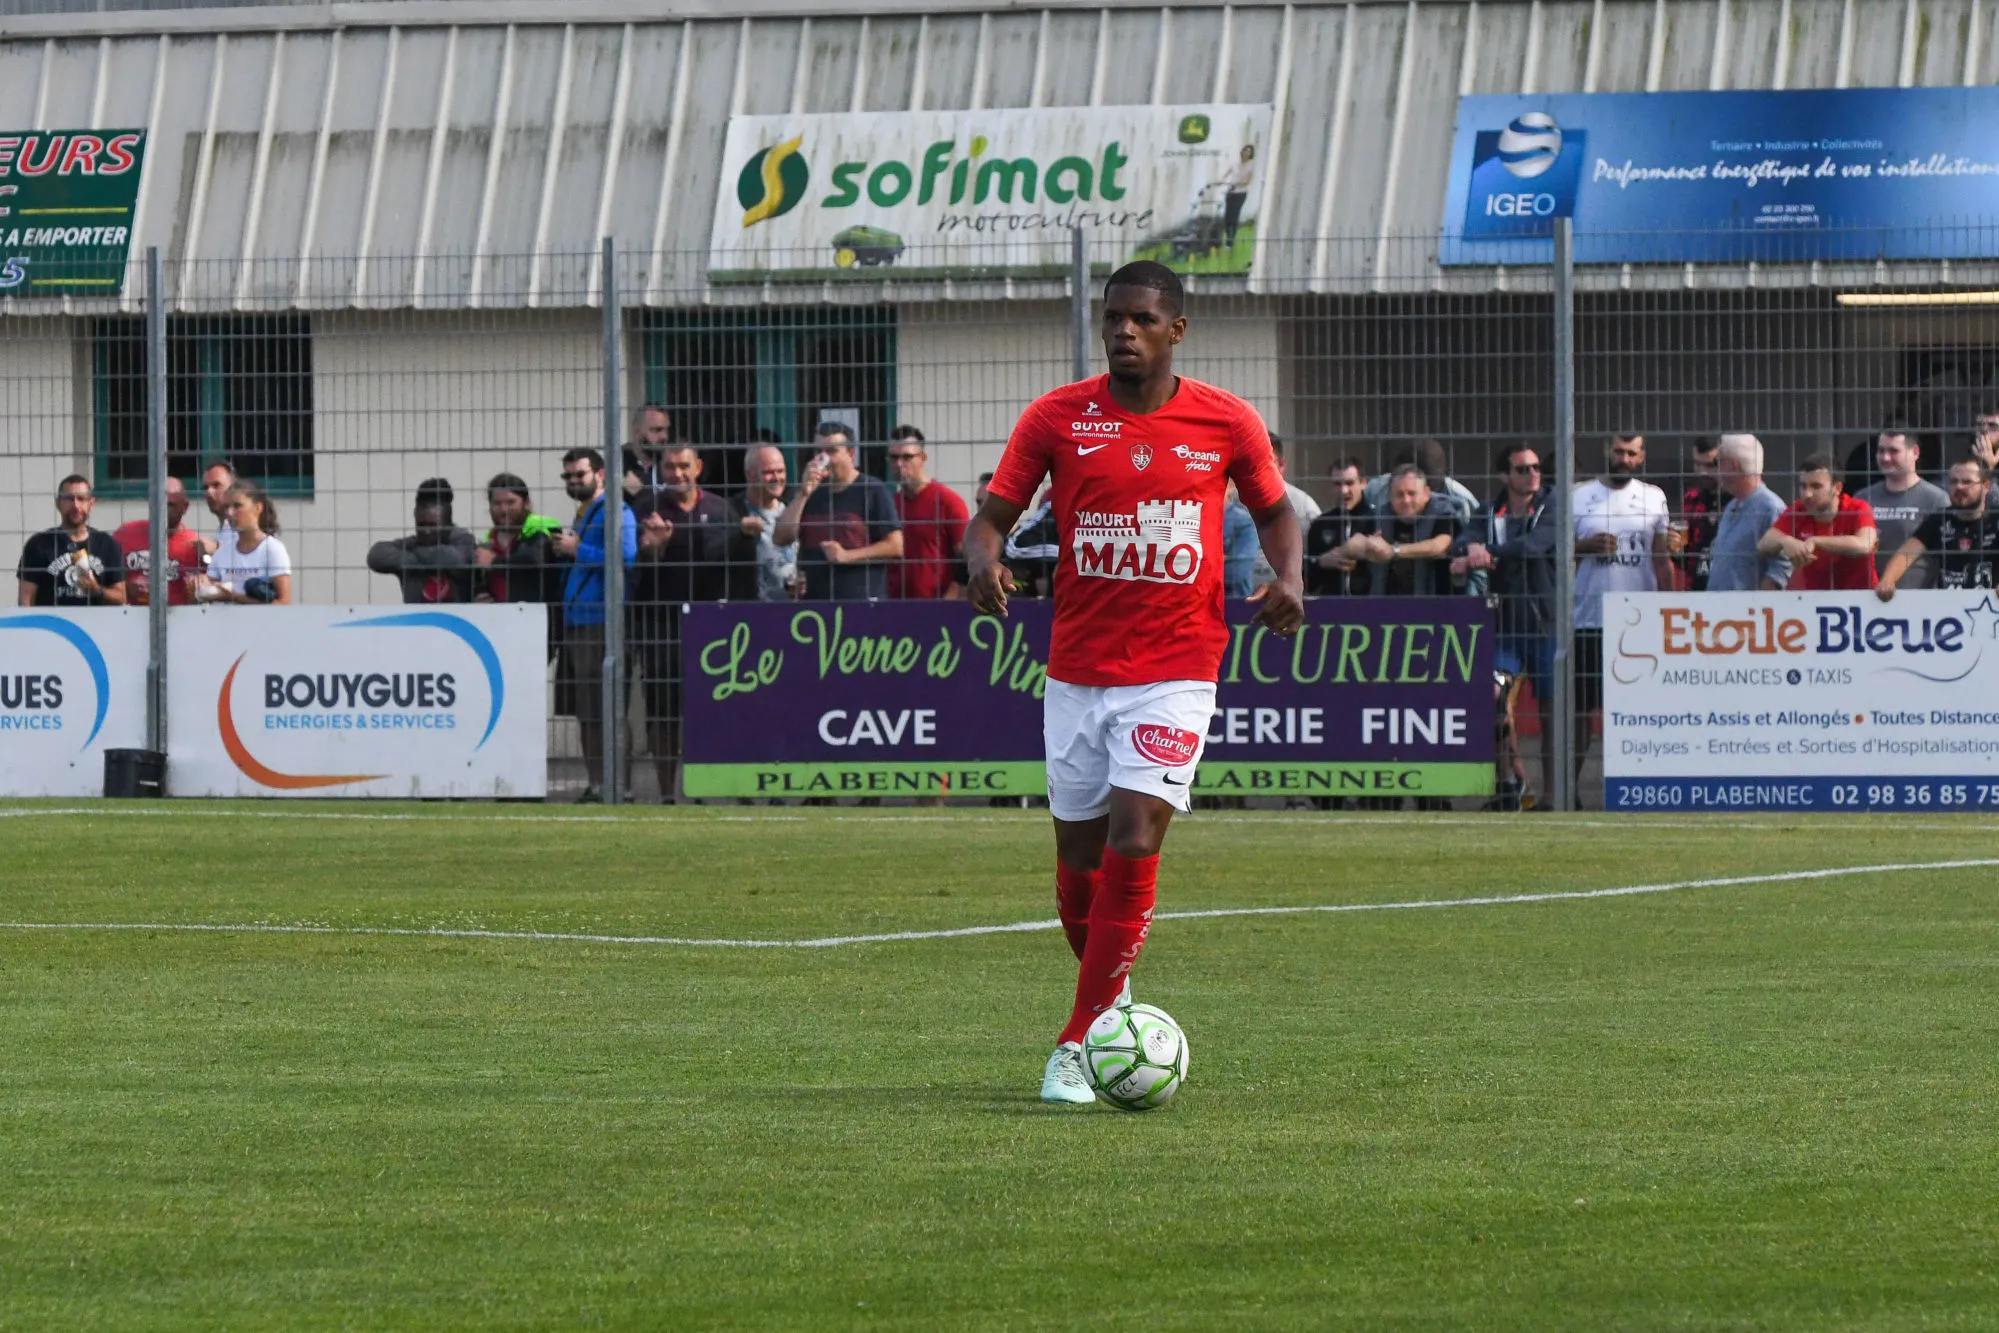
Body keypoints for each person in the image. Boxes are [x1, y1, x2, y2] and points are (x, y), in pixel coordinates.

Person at [960, 260, 1304, 1105]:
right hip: (1077, 670)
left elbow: (1274, 509)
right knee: (1077, 859)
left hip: (1177, 667)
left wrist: (1288, 576)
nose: (1122, 330)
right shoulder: (1056, 416)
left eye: (1141, 319)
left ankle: (1076, 1044)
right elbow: (991, 518)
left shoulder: (1224, 421)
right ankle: (1110, 1005)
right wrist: (982, 561)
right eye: (1112, 317)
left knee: (1136, 835)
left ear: (1174, 329)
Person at [632, 443, 758, 801]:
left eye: (684, 466)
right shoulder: (646, 508)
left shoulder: (723, 509)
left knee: (720, 709)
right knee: (664, 713)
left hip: (714, 628)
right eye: (670, 467)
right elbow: (635, 574)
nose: (677, 474)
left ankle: (722, 787)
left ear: (698, 466)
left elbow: (738, 569)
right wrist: (654, 548)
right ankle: (668, 792)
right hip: (661, 624)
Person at [1572, 433, 1674, 804]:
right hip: (1588, 618)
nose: (1624, 459)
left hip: (1638, 621)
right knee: (1581, 711)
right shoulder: (1577, 496)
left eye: (1632, 453)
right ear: (1607, 452)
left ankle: (1638, 786)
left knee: (1637, 709)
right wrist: (1584, 546)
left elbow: (1661, 559)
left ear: (1641, 456)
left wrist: (1668, 611)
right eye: (1619, 451)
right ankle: (1571, 788)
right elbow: (1554, 554)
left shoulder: (1654, 497)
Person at [1455, 443, 1556, 803]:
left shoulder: (1552, 505)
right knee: (1493, 695)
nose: (1532, 474)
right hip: (1506, 626)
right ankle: (1510, 780)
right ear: (1504, 475)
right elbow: (1464, 539)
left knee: (1552, 712)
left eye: (1535, 467)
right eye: (1522, 469)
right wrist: (1470, 551)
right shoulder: (1490, 510)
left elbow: (1535, 545)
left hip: (1547, 624)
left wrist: (1487, 553)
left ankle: (1554, 795)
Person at [557, 447, 637, 804]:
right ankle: (597, 785)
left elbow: (626, 559)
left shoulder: (618, 511)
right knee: (586, 711)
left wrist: (578, 551)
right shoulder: (583, 513)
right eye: (569, 476)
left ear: (600, 475)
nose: (574, 481)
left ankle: (621, 786)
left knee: (609, 709)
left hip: (603, 623)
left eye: (580, 475)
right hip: (577, 623)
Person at [773, 421, 903, 600]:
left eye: (832, 451)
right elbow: (781, 538)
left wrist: (847, 556)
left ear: (851, 453)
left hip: (860, 603)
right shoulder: (809, 492)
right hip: (814, 606)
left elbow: (895, 546)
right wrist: (803, 493)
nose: (823, 459)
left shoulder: (873, 490)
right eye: (819, 452)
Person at [1877, 457, 1999, 599]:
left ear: (1986, 486)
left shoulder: (1996, 519)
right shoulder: (1939, 519)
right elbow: (1907, 552)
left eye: (1967, 482)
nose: (1959, 487)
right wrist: (1887, 580)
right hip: (1947, 610)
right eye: (1954, 481)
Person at [1759, 454, 1878, 591]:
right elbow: (1762, 545)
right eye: (1803, 486)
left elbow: (1865, 544)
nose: (1807, 494)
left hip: (1861, 598)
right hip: (1815, 599)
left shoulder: (1857, 508)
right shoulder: (1798, 510)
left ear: (1837, 488)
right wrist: (1785, 541)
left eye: (1816, 486)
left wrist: (1816, 541)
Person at [1340, 464, 1460, 596]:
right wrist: (1367, 546)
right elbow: (1351, 545)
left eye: (1411, 493)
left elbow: (1439, 545)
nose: (1406, 500)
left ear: (1427, 493)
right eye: (1399, 494)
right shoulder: (1381, 515)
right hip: (1386, 608)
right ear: (1390, 496)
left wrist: (1392, 551)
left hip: (1436, 606)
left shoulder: (1443, 513)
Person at [1855, 427, 1947, 589]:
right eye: (1881, 450)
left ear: (1915, 453)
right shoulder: (1862, 498)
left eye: (1894, 451)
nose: (1885, 457)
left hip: (1917, 599)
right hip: (1867, 597)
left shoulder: (1936, 499)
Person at [16, 475, 127, 606]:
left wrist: (96, 590)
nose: (75, 505)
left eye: (81, 499)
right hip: (52, 625)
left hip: (96, 625)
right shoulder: (38, 544)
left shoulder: (107, 544)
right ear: (58, 503)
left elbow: (121, 598)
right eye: (69, 499)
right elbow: (25, 601)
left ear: (91, 504)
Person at [885, 425, 969, 599]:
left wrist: (951, 599)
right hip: (893, 607)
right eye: (894, 457)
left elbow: (965, 558)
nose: (899, 464)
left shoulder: (948, 502)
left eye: (907, 457)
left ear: (923, 458)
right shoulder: (891, 504)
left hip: (937, 606)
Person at [366, 478, 478, 603]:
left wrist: (413, 559)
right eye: (421, 525)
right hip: (418, 621)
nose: (427, 531)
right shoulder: (414, 544)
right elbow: (375, 556)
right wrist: (415, 559)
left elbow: (456, 560)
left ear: (448, 521)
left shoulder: (463, 540)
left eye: (433, 525)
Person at [1704, 433, 1791, 592]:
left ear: (1734, 465)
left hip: (1748, 613)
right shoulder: (1732, 506)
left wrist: (1759, 602)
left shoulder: (1770, 508)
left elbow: (1783, 563)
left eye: (1719, 462)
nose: (1716, 470)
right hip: (1719, 611)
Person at [473, 472, 566, 606]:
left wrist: (495, 561)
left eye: (510, 502)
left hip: (537, 618)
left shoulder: (543, 525)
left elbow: (535, 559)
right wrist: (480, 594)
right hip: (496, 620)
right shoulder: (489, 539)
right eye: (497, 503)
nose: (504, 509)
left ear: (526, 503)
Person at [111, 476, 202, 606]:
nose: (163, 510)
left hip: (177, 619)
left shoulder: (193, 545)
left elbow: (201, 595)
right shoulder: (125, 533)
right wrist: (126, 588)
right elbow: (106, 581)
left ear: (185, 507)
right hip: (129, 617)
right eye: (159, 504)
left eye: (170, 505)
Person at [200, 483, 291, 604]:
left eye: (237, 506)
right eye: (226, 507)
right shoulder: (223, 552)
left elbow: (284, 603)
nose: (230, 513)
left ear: (258, 508)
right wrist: (198, 586)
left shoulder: (273, 549)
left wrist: (233, 597)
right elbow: (205, 594)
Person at [1250, 435, 1321, 587]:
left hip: (1283, 595)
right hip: (1239, 595)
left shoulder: (1304, 505)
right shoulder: (1235, 500)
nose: (1258, 468)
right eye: (1254, 461)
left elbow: (1314, 557)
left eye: (1266, 462)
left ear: (1282, 465)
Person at [736, 444, 799, 601]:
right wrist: (738, 532)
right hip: (750, 612)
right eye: (768, 472)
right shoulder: (732, 511)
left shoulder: (795, 508)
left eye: (781, 471)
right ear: (749, 475)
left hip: (795, 610)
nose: (777, 478)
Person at [1306, 457, 1372, 596]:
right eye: (1337, 484)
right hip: (1332, 609)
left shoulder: (1377, 519)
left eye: (1349, 483)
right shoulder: (1321, 524)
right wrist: (1321, 562)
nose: (1343, 490)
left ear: (1363, 483)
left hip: (1371, 608)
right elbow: (1307, 581)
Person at [1677, 435, 1722, 591]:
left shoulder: (1739, 500)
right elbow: (1685, 555)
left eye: (1710, 465)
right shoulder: (1692, 498)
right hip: (1697, 589)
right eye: (1698, 464)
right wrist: (1674, 548)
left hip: (1731, 588)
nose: (1703, 472)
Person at [622, 404, 675, 499]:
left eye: (666, 430)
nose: (665, 436)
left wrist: (642, 492)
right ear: (637, 431)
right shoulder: (619, 464)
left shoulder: (671, 463)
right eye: (657, 430)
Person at [1221, 483, 1259, 597]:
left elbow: (1238, 573)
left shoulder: (1244, 522)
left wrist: (1200, 564)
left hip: (1233, 604)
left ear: (1231, 486)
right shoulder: (1187, 518)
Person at [1219, 143, 1255, 252]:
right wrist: (1220, 182)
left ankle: (1229, 242)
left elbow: (1248, 181)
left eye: (1249, 152)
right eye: (1245, 151)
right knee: (1227, 217)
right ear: (1242, 152)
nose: (1246, 153)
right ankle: (1227, 235)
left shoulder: (1251, 165)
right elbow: (1226, 174)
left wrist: (1238, 183)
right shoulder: (1235, 163)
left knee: (1234, 217)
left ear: (1251, 154)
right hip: (1230, 192)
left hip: (1241, 194)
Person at [200, 460, 237, 553]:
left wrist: (216, 549)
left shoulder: (248, 528)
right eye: (205, 488)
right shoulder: (217, 534)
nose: (209, 492)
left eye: (216, 485)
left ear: (234, 488)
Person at [1970, 407, 1999, 506]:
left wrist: (1987, 469)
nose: (1984, 429)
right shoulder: (1963, 458)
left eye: (1993, 426)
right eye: (1980, 425)